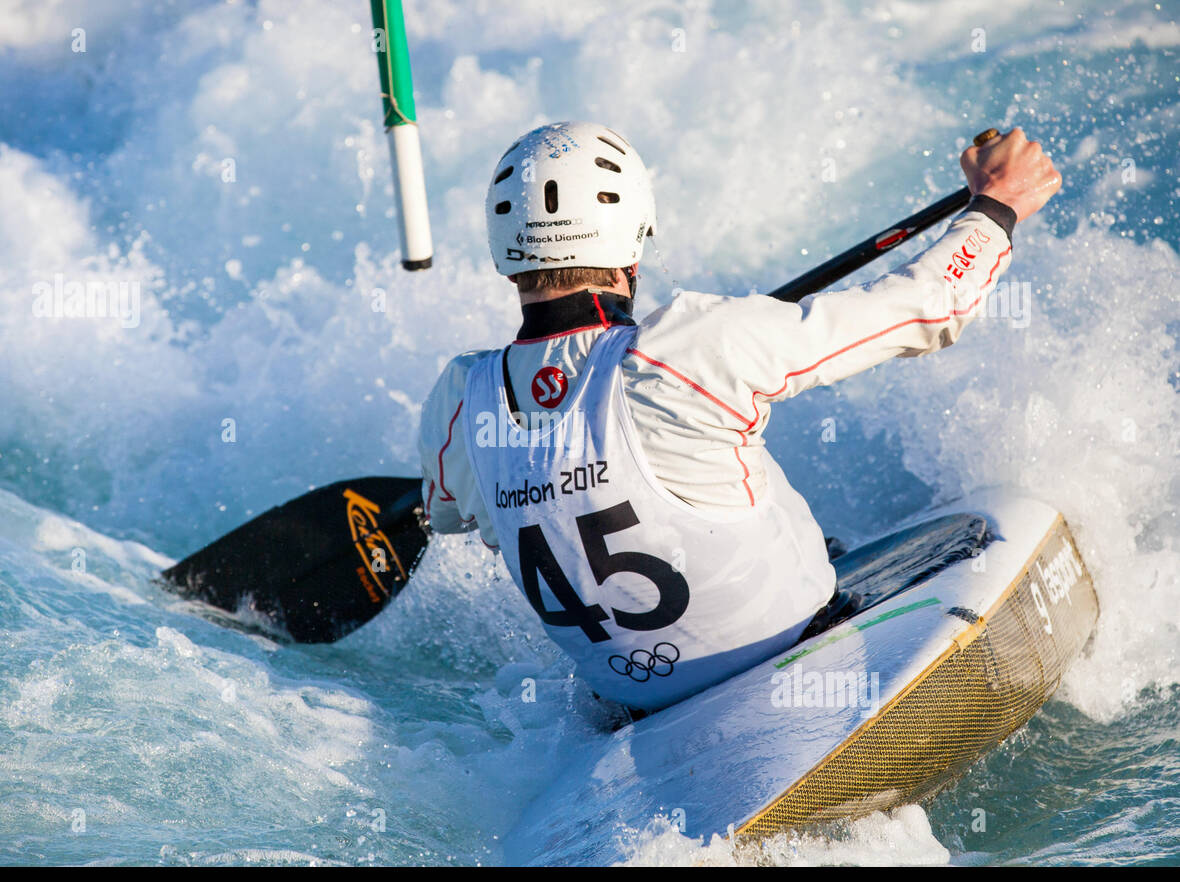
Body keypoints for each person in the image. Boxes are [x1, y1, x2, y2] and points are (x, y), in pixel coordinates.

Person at [418, 121, 1061, 715]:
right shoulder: (690, 346)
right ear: (633, 246)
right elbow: (928, 307)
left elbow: (447, 514)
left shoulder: (460, 397)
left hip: (635, 710)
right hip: (795, 649)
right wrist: (997, 204)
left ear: (506, 255)